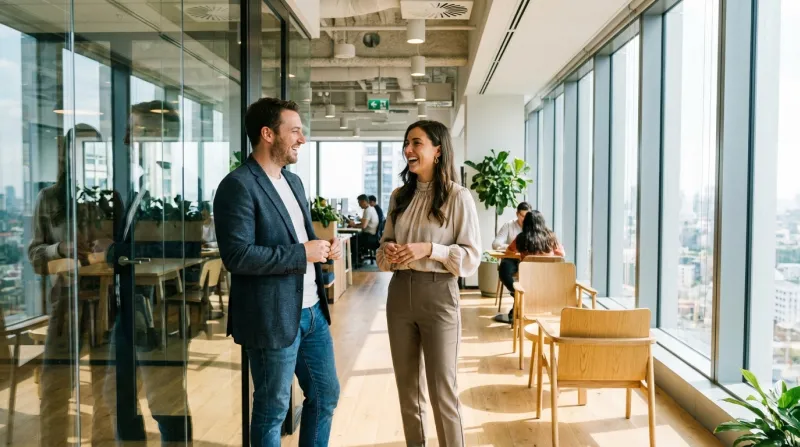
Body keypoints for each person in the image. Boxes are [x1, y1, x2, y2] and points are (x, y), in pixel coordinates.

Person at [213, 97, 341, 447]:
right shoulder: (237, 185)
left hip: (312, 312)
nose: (302, 139)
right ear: (268, 134)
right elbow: (237, 256)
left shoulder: (293, 182)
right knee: (272, 409)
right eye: (295, 131)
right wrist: (302, 253)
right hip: (271, 317)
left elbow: (302, 239)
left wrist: (323, 249)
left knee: (326, 395)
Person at [377, 120, 481, 447]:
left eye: (416, 143)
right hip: (399, 295)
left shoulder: (457, 197)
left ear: (437, 150)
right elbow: (383, 249)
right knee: (408, 392)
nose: (408, 149)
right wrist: (389, 251)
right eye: (406, 142)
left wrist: (429, 249)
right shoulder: (399, 196)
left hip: (439, 295)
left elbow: (471, 257)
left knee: (442, 391)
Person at [502, 210, 565, 323]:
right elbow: (561, 255)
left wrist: (522, 254)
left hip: (528, 280)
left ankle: (517, 301)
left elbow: (508, 252)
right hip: (549, 280)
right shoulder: (551, 237)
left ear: (526, 223)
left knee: (506, 269)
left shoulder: (521, 238)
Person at [491, 202, 532, 324]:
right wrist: (510, 247)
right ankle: (517, 295)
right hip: (511, 259)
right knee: (504, 270)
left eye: (527, 216)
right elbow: (495, 244)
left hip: (528, 262)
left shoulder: (533, 227)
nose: (524, 219)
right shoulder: (509, 225)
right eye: (522, 215)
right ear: (517, 214)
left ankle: (517, 306)